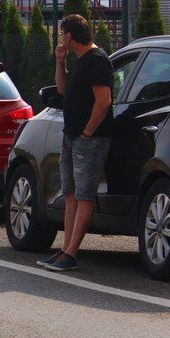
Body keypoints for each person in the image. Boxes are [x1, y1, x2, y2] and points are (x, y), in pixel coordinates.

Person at [38, 14, 114, 272]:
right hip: (71, 136)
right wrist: (60, 61)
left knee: (83, 196)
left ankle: (71, 253)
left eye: (62, 34)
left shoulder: (97, 61)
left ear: (69, 35)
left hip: (88, 140)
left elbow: (104, 101)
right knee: (69, 194)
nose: (61, 39)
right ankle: (64, 249)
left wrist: (88, 133)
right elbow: (62, 89)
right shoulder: (80, 61)